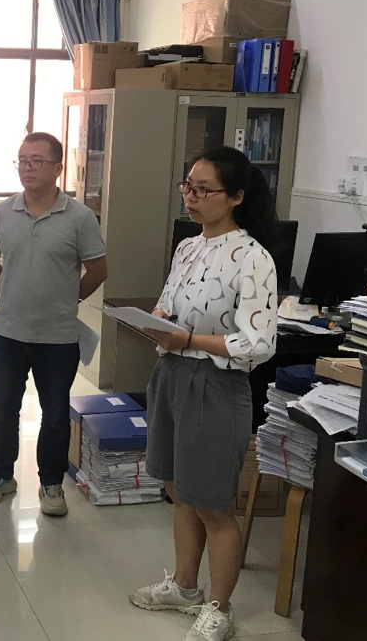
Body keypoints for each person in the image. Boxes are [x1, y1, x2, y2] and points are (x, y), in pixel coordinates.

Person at [128, 146, 279, 641]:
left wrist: (189, 338)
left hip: (216, 385)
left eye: (203, 189)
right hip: (171, 375)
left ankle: (220, 608)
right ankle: (185, 587)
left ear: (235, 197)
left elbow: (258, 344)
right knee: (179, 489)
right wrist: (157, 322)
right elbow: (168, 306)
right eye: (187, 186)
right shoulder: (187, 247)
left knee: (213, 503)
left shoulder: (254, 258)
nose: (190, 197)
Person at [0, 131, 107, 517]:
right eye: (22, 160)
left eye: (36, 161)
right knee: (2, 410)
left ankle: (51, 483)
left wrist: (67, 299)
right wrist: (14, 289)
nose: (27, 167)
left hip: (58, 336)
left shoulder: (79, 217)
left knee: (55, 415)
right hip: (9, 333)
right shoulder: (0, 214)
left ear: (58, 168)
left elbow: (98, 269)